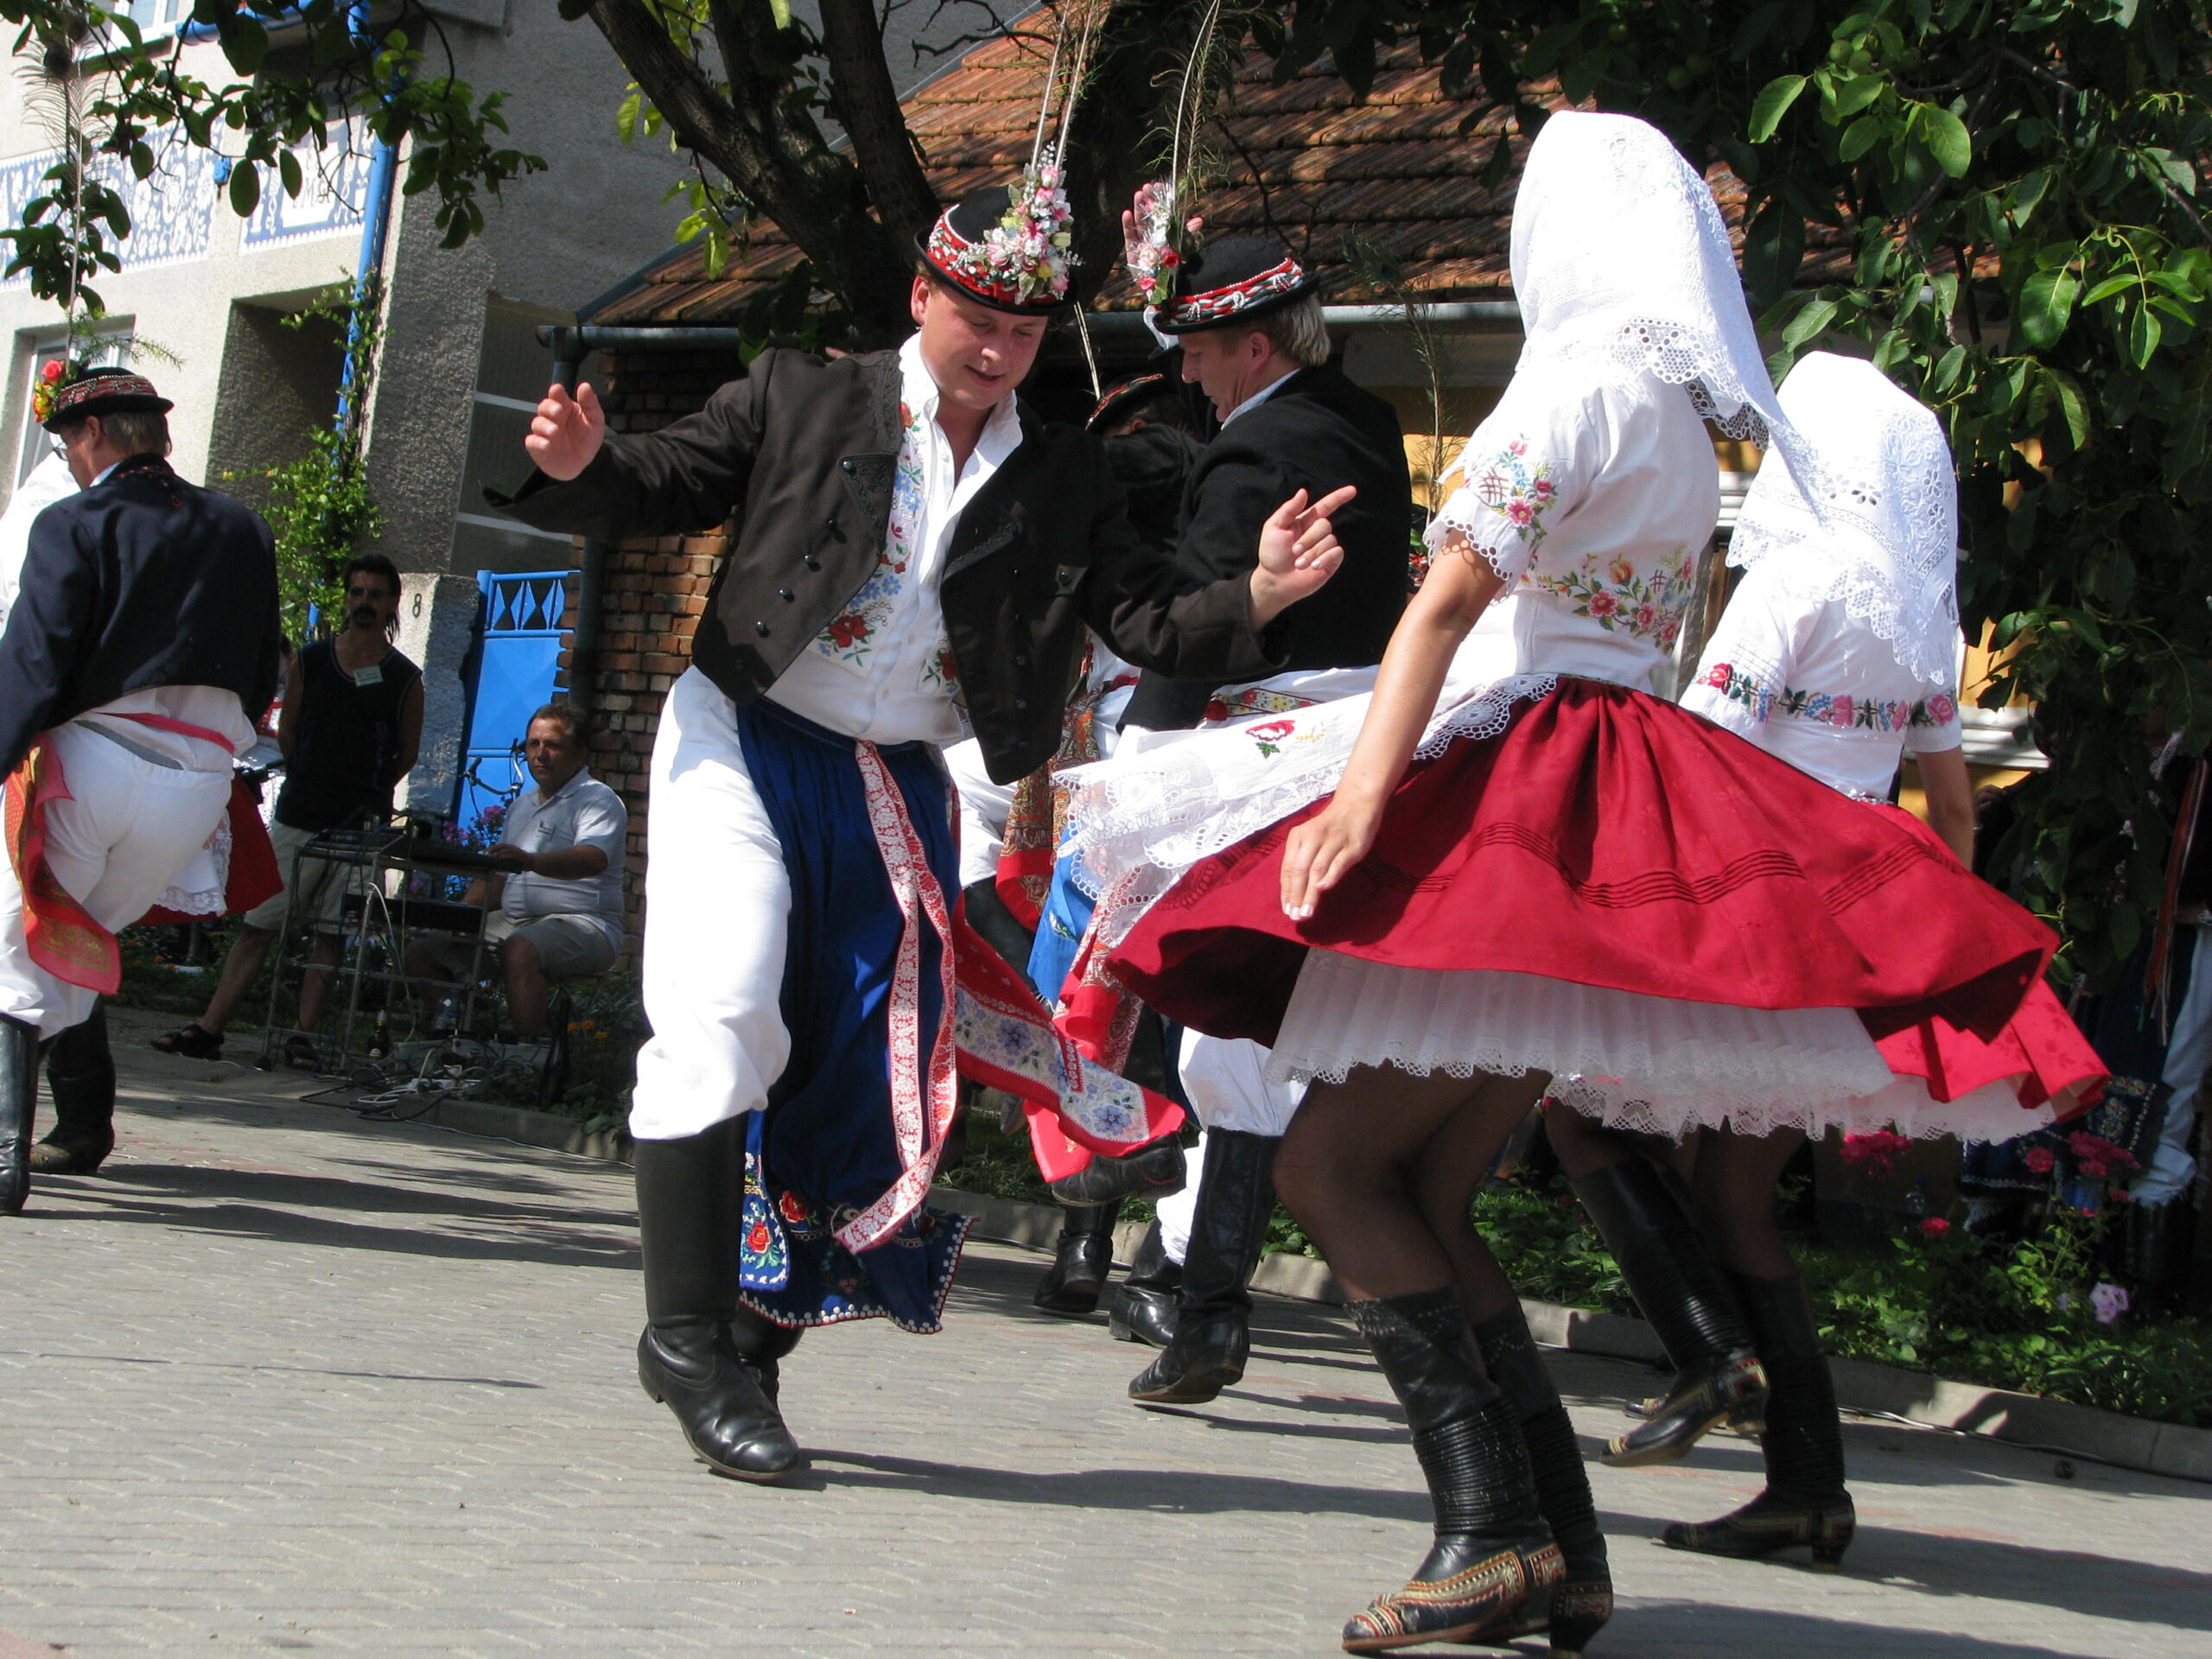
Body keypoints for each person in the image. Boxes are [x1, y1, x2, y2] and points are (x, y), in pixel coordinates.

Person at [1056, 114, 2069, 1651]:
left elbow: (1443, 613)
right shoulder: (1675, 415)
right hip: (1600, 801)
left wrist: (1359, 806)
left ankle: (1489, 1533)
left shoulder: (1581, 379)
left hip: (1513, 795)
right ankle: (1561, 1554)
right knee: (1428, 1185)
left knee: (1336, 1174)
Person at [496, 178, 1354, 1487]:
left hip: (895, 778)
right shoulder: (808, 392)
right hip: (745, 733)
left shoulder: (1061, 466)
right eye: (978, 318)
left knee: (857, 1072)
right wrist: (580, 468)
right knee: (724, 1010)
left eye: (1025, 328)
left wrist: (1257, 593)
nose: (1000, 349)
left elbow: (1143, 617)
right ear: (923, 297)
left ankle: (752, 1344)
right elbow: (670, 478)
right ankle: (681, 1338)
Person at [1542, 350, 2104, 1569]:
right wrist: (1929, 950)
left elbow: (1703, 756)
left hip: (1758, 909)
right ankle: (1806, 1484)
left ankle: (1712, 1361)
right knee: (1733, 1190)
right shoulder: (1919, 612)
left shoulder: (1791, 584)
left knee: (1582, 1116)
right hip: (1858, 930)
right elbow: (1951, 809)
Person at [1053, 224, 1416, 1412]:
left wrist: (1143, 761)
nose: (1187, 371)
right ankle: (1186, 1282)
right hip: (1348, 747)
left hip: (1254, 756)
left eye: (1201, 350)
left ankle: (1196, 1294)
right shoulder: (1361, 423)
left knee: (1189, 1009)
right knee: (1247, 1032)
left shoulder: (1257, 455)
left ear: (1252, 346)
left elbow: (1202, 627)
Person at [1, 365, 283, 1214]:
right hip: (195, 790)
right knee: (68, 951)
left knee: (16, 947)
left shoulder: (73, 521)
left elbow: (34, 659)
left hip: (90, 764)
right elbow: (266, 660)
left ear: (89, 437)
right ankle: (71, 1126)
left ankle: (4, 1156)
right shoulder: (242, 528)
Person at [153, 553, 423, 1066]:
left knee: (330, 933)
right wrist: (305, 772)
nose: (364, 602)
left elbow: (407, 751)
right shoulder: (313, 659)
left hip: (360, 825)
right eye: (356, 592)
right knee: (261, 922)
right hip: (300, 813)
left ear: (392, 602)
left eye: (374, 594)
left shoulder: (405, 677)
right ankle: (210, 1029)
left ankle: (303, 1038)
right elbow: (290, 725)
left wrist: (368, 789)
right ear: (347, 598)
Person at [407, 703, 626, 1041]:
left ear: (580, 753)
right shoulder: (522, 805)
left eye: (552, 745)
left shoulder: (598, 800)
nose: (540, 754)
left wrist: (531, 861)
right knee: (425, 951)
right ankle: (463, 1041)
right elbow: (499, 877)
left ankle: (526, 1060)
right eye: (533, 744)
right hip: (516, 921)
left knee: (521, 948)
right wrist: (463, 918)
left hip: (586, 923)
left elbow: (592, 858)